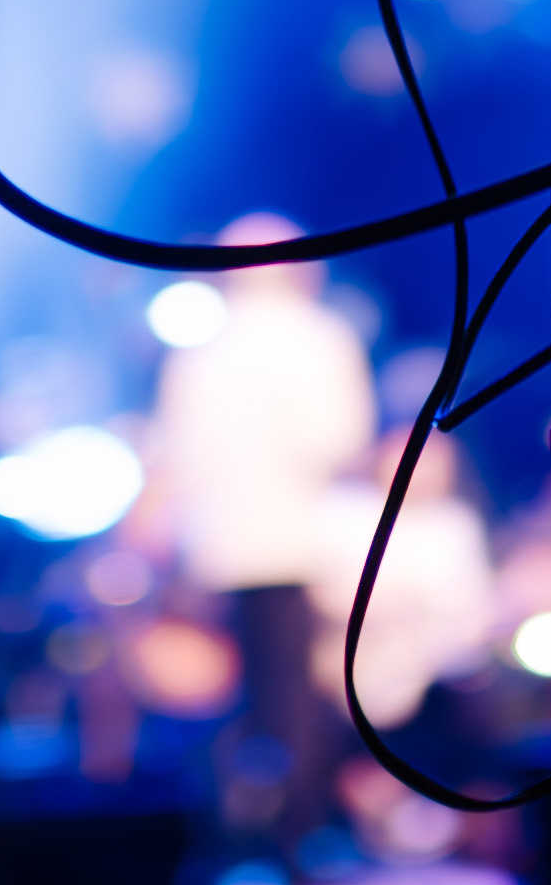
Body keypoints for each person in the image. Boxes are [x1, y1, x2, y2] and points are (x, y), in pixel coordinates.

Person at [138, 215, 379, 839]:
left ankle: (237, 836)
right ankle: (302, 835)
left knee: (237, 702)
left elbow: (178, 459)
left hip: (219, 549)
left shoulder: (201, 350)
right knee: (301, 694)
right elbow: (339, 441)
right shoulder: (321, 337)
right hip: (303, 547)